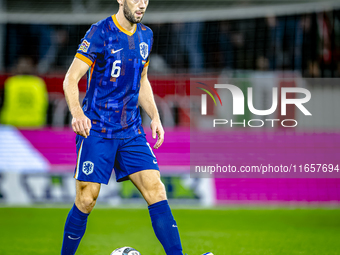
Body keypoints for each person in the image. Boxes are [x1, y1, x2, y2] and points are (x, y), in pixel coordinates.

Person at [61, 1, 209, 255]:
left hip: (130, 130)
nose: (142, 5)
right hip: (97, 129)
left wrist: (155, 115)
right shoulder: (100, 32)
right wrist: (77, 113)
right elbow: (70, 79)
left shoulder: (146, 36)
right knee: (86, 200)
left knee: (156, 189)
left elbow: (142, 80)